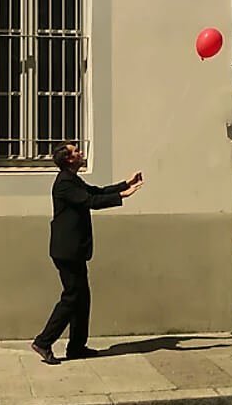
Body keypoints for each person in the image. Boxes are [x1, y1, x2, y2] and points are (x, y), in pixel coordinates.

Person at [30, 142, 143, 364]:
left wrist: (124, 184)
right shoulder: (64, 183)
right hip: (67, 250)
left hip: (75, 249)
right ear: (69, 159)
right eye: (76, 151)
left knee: (82, 298)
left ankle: (77, 347)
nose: (81, 153)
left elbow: (95, 191)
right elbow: (91, 201)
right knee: (72, 297)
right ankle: (43, 342)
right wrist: (123, 196)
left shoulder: (72, 179)